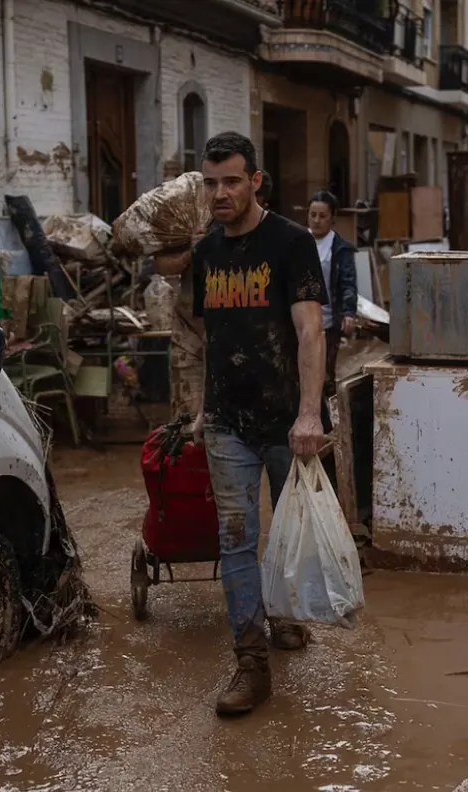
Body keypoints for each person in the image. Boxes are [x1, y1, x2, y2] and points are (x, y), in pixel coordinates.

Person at [190, 131, 326, 716]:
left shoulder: (292, 243)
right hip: (227, 421)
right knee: (237, 540)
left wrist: (309, 413)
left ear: (255, 182)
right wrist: (202, 407)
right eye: (210, 183)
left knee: (292, 528)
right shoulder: (204, 254)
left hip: (285, 420)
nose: (220, 194)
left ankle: (288, 616)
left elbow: (309, 332)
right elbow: (210, 340)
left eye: (231, 182)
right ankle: (251, 662)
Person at [155, 173, 273, 420]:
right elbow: (163, 265)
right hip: (189, 335)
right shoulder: (198, 219)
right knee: (186, 419)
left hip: (237, 341)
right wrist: (193, 253)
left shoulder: (271, 237)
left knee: (232, 420)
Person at [306, 190, 357, 399]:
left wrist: (348, 312)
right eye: (312, 215)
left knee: (325, 373)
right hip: (300, 319)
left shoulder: (340, 248)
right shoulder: (298, 242)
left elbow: (348, 282)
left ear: (332, 218)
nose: (316, 220)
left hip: (327, 320)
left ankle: (327, 421)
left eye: (322, 216)